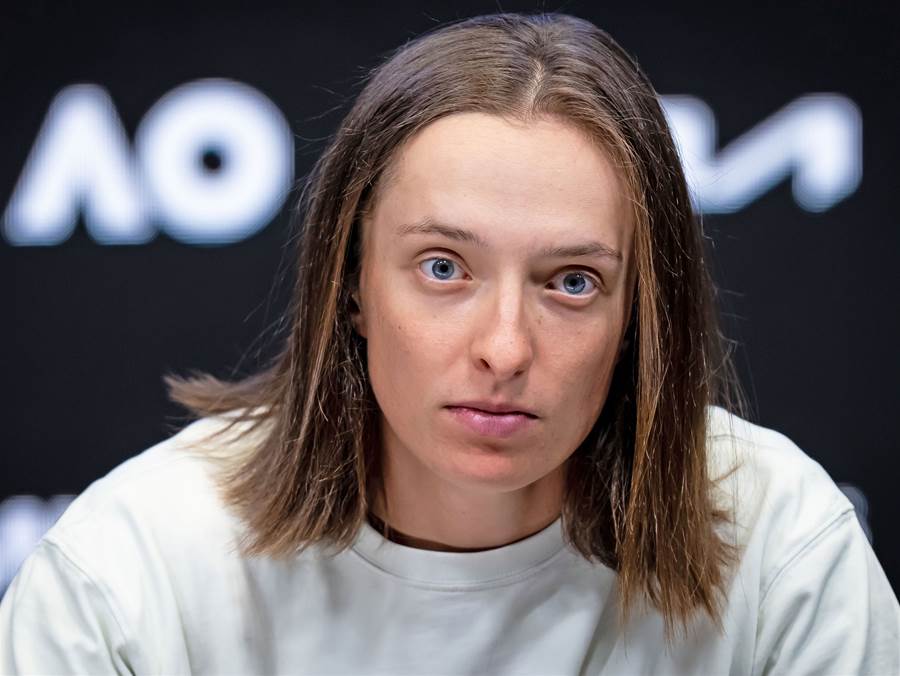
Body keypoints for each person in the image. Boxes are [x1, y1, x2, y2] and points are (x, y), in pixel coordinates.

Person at [1, 11, 898, 675]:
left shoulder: (779, 546)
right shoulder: (133, 572)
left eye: (571, 282)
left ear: (639, 315)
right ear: (352, 285)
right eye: (443, 268)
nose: (504, 349)